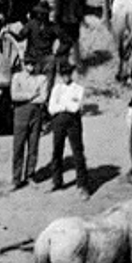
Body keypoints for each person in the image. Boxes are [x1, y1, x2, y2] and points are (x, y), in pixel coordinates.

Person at [47, 61, 89, 194]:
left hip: (73, 122)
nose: (66, 76)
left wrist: (62, 105)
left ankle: (82, 185)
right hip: (58, 121)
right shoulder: (56, 88)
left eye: (68, 73)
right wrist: (66, 105)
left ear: (71, 74)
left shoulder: (78, 89)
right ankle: (57, 181)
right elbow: (51, 108)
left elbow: (75, 107)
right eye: (63, 74)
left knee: (77, 152)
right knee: (57, 151)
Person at [9, 54, 49, 189]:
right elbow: (14, 96)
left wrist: (25, 96)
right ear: (23, 64)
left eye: (33, 64)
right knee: (18, 147)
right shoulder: (17, 77)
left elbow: (43, 98)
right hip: (20, 114)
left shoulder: (41, 78)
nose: (30, 67)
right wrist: (31, 95)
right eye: (28, 64)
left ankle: (30, 175)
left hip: (36, 114)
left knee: (33, 146)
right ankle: (16, 179)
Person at [47, 0, 87, 72]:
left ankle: (60, 65)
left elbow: (58, 6)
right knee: (75, 40)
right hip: (75, 19)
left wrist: (55, 19)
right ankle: (78, 64)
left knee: (64, 43)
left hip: (63, 20)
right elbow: (83, 4)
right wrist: (81, 18)